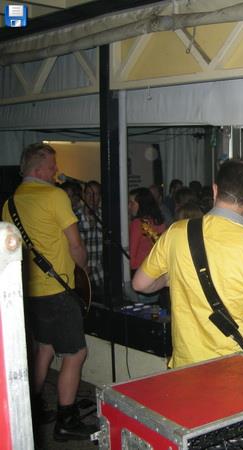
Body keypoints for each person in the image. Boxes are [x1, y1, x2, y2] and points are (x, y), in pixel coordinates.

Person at [132, 159, 243, 366]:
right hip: (233, 365)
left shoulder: (177, 231)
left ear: (215, 189)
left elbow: (140, 284)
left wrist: (169, 279)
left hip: (185, 365)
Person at [2, 143, 94, 441]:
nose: (56, 171)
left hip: (30, 290)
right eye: (52, 166)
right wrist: (84, 272)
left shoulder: (10, 203)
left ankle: (33, 407)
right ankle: (66, 421)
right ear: (40, 169)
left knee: (44, 347)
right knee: (76, 353)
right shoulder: (55, 196)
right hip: (59, 289)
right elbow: (76, 245)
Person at [128, 187, 166, 273]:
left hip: (140, 268)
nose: (129, 206)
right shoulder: (159, 221)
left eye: (132, 203)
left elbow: (132, 252)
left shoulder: (137, 223)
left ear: (141, 204)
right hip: (158, 268)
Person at [76, 180, 104, 295]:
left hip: (101, 275)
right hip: (81, 276)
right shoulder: (74, 217)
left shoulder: (105, 216)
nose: (92, 197)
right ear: (83, 195)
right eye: (88, 193)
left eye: (96, 194)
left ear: (100, 197)